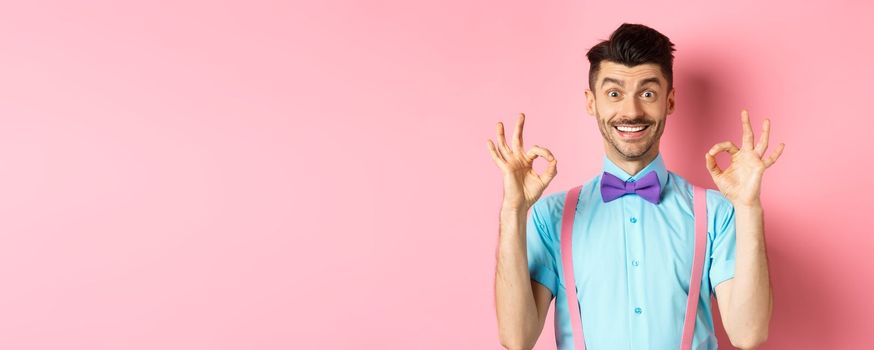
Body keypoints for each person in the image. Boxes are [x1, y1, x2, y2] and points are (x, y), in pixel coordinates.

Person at [488, 23, 783, 350]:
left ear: (669, 102)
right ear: (591, 102)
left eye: (647, 93)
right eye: (614, 93)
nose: (631, 111)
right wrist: (513, 210)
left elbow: (749, 334)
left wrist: (748, 208)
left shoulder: (716, 213)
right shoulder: (551, 217)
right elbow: (517, 338)